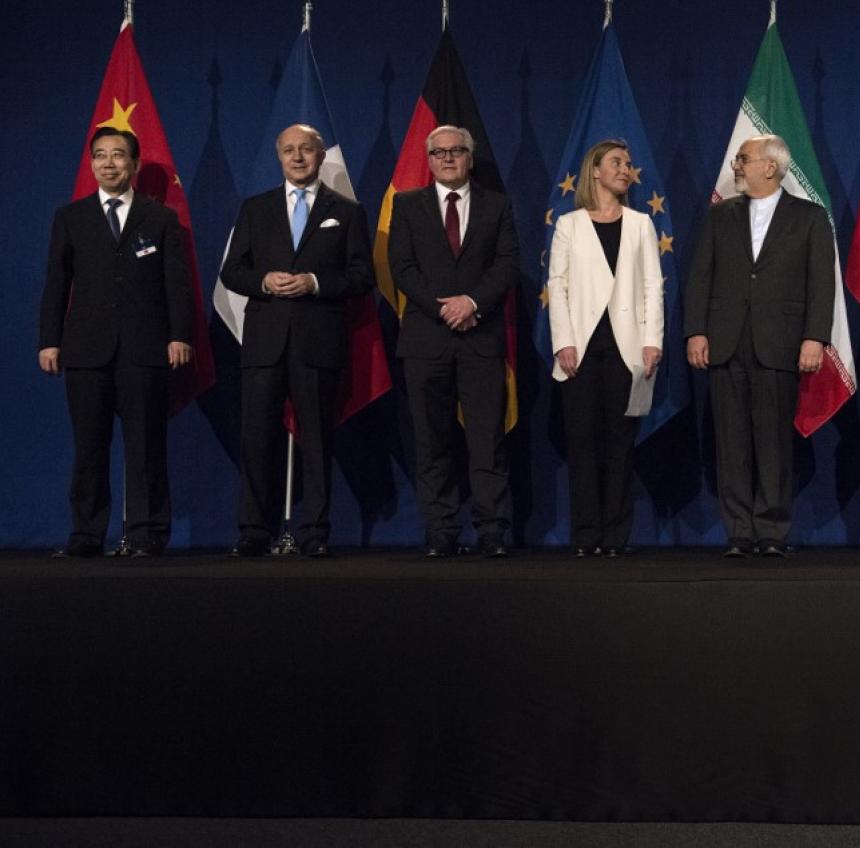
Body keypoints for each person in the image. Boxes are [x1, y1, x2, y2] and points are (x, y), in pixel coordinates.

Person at [38, 126, 194, 558]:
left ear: (135, 164)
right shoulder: (70, 217)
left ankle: (147, 534)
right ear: (91, 164)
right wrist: (49, 341)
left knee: (146, 446)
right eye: (100, 155)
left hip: (145, 349)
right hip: (86, 350)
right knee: (89, 447)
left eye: (118, 155)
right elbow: (56, 284)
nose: (109, 163)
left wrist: (179, 334)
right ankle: (86, 535)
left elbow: (177, 285)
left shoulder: (160, 218)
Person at [219, 123, 374, 558]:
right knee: (256, 438)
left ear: (321, 155)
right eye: (289, 150)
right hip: (264, 342)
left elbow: (363, 276)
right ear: (279, 157)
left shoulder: (346, 212)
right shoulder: (256, 208)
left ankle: (315, 532)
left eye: (306, 149)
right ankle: (254, 529)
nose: (298, 157)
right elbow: (232, 272)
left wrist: (314, 282)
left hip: (318, 341)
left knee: (318, 440)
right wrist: (264, 281)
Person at [684, 134, 834, 558]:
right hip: (726, 342)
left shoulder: (809, 217)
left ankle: (771, 531)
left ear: (770, 167)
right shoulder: (720, 215)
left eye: (743, 158)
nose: (735, 165)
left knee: (774, 444)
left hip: (780, 343)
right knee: (730, 443)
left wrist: (814, 337)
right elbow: (700, 276)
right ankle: (738, 532)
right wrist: (696, 331)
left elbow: (822, 284)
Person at [388, 125, 519, 558]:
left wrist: (472, 303)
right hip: (427, 340)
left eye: (456, 150)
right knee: (432, 441)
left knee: (487, 440)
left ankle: (492, 531)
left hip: (480, 338)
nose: (447, 158)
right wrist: (443, 307)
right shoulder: (407, 205)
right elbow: (401, 267)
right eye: (439, 152)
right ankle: (440, 530)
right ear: (428, 161)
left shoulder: (496, 205)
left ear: (470, 157)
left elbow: (507, 264)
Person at [547, 140, 664, 557]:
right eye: (617, 162)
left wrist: (652, 341)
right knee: (582, 444)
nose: (625, 169)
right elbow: (557, 285)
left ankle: (615, 536)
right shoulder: (569, 224)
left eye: (628, 164)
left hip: (626, 349)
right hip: (579, 350)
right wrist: (563, 341)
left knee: (620, 444)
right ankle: (585, 535)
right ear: (594, 171)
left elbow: (653, 285)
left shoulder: (640, 224)